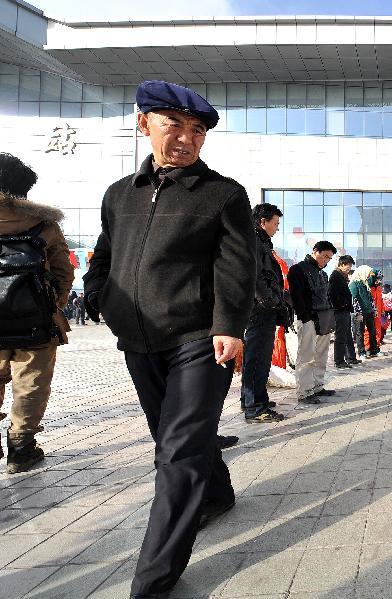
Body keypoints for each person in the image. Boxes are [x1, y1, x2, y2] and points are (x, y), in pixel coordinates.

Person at [82, 80, 255, 598]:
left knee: (176, 454)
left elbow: (236, 268)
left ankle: (153, 582)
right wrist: (99, 296)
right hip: (139, 340)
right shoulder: (120, 194)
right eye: (173, 125)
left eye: (197, 130)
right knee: (172, 436)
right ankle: (217, 494)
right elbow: (104, 254)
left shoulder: (223, 194)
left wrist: (228, 327)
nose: (186, 138)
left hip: (201, 339)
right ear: (144, 124)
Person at [0, 153, 75, 474]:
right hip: (35, 322)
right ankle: (21, 448)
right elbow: (63, 272)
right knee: (30, 383)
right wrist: (51, 304)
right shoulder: (44, 225)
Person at [241, 202, 290, 423]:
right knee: (256, 357)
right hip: (259, 309)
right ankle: (254, 407)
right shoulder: (254, 241)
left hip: (263, 307)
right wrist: (271, 301)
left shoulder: (260, 242)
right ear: (263, 222)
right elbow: (256, 276)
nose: (277, 228)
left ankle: (255, 398)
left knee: (260, 357)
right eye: (275, 223)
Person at [288, 240, 337, 404]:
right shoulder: (297, 269)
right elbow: (296, 297)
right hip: (308, 318)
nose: (326, 260)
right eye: (324, 256)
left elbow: (327, 296)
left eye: (329, 258)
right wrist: (305, 317)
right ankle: (304, 391)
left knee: (321, 355)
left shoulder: (323, 274)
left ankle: (317, 386)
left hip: (324, 317)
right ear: (315, 251)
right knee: (306, 355)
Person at [329, 254, 361, 369]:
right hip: (340, 311)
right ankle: (339, 361)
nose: (349, 269)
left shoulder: (341, 276)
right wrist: (342, 304)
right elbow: (332, 295)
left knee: (348, 335)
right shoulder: (335, 276)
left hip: (344, 310)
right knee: (340, 336)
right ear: (342, 265)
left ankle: (351, 357)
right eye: (348, 266)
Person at [349, 265, 379, 358]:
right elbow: (354, 299)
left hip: (369, 311)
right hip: (360, 313)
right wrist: (358, 313)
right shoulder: (353, 284)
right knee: (360, 333)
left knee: (372, 331)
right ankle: (361, 352)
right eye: (368, 274)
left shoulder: (365, 283)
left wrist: (374, 309)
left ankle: (374, 350)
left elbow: (370, 299)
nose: (369, 276)